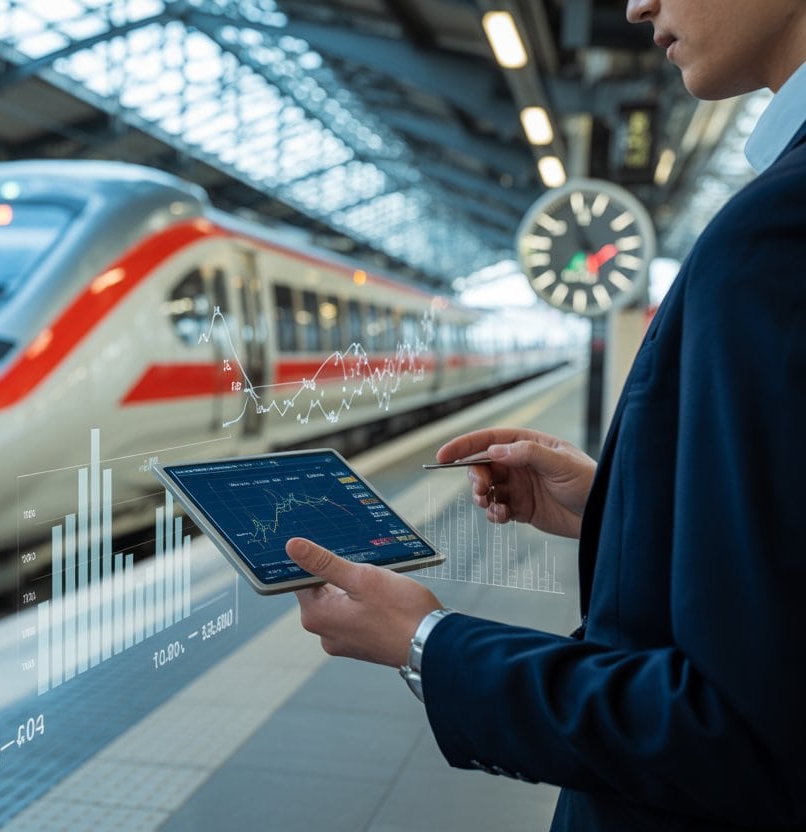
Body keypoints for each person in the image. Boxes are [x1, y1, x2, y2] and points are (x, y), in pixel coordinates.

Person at [284, 0, 806, 828]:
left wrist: (426, 642)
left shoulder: (775, 231)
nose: (636, 5)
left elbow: (738, 730)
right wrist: (615, 509)